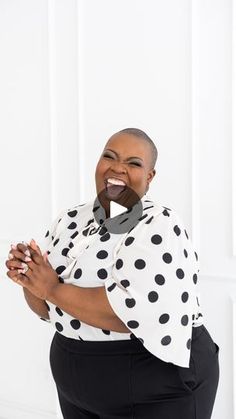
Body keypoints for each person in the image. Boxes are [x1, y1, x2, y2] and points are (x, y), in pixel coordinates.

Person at [6, 128, 219, 419]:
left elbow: (131, 314)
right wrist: (28, 276)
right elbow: (47, 310)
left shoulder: (160, 224)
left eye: (133, 163)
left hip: (156, 384)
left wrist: (51, 288)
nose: (117, 167)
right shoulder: (70, 219)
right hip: (76, 383)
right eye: (109, 156)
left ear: (150, 177)